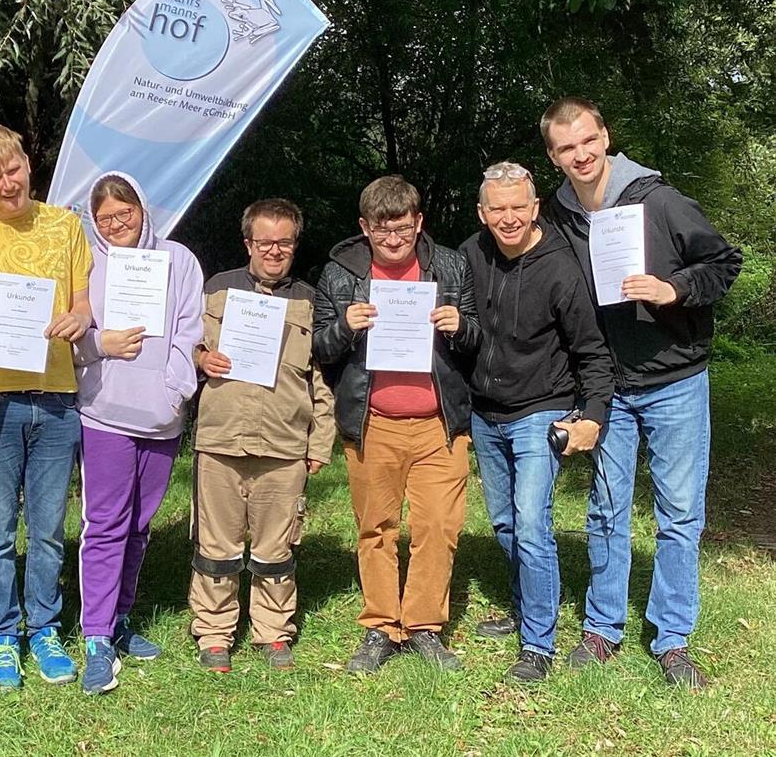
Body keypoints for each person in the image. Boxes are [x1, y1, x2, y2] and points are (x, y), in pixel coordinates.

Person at [542, 97, 743, 688]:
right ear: (553, 157)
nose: (580, 155)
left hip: (676, 380)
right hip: (609, 386)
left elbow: (723, 264)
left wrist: (672, 288)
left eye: (587, 140)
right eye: (565, 148)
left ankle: (673, 638)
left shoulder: (658, 199)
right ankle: (603, 628)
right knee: (607, 509)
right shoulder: (559, 219)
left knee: (679, 514)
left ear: (605, 136)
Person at [0, 124, 93, 690]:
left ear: (27, 162)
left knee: (50, 526)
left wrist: (80, 319)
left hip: (56, 395)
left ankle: (45, 630)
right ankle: (1, 637)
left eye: (13, 168)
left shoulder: (65, 223)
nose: (8, 182)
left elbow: (82, 302)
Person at [313, 175, 479, 675]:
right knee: (376, 529)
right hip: (374, 422)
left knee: (438, 527)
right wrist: (346, 327)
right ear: (364, 227)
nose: (393, 240)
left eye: (403, 230)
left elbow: (476, 338)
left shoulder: (449, 265)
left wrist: (460, 326)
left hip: (438, 423)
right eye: (382, 231)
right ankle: (382, 626)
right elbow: (319, 348)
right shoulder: (340, 274)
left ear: (418, 223)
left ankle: (425, 626)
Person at [459, 161, 614, 682]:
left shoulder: (560, 266)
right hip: (485, 412)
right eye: (497, 209)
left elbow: (592, 351)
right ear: (483, 213)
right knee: (504, 522)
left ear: (534, 208)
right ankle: (528, 607)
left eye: (517, 207)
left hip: (540, 408)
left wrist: (592, 414)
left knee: (530, 524)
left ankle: (539, 644)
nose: (508, 218)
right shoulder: (469, 256)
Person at [189, 199, 335, 673]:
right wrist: (199, 359)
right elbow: (184, 343)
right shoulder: (215, 290)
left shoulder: (311, 300)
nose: (275, 250)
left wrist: (320, 441)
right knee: (216, 544)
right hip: (221, 437)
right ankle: (214, 631)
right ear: (248, 242)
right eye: (265, 241)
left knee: (277, 545)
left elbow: (320, 378)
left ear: (295, 244)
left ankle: (272, 630)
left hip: (283, 442)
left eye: (285, 242)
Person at [72, 172, 203, 695]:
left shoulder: (179, 260)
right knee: (105, 523)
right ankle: (96, 636)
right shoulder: (84, 264)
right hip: (103, 412)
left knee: (140, 525)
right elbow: (70, 333)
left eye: (125, 212)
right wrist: (101, 344)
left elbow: (189, 329)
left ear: (143, 210)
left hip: (161, 417)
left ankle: (121, 618)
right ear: (94, 220)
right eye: (105, 216)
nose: (117, 223)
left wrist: (176, 390)